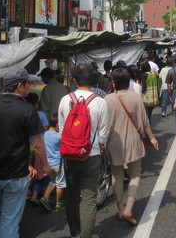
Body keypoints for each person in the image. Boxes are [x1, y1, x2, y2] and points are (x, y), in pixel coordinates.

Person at [0, 68, 50, 238]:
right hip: (15, 174)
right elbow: (37, 143)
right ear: (20, 86)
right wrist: (45, 165)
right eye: (28, 83)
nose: (30, 86)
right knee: (9, 221)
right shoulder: (27, 109)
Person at [58, 64, 109, 238]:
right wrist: (100, 146)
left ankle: (75, 232)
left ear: (74, 80)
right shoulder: (100, 102)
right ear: (94, 80)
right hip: (91, 155)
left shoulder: (65, 100)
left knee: (72, 195)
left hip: (70, 156)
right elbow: (103, 134)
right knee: (88, 199)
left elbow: (62, 132)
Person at [105, 68, 159, 226]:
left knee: (117, 176)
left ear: (114, 83)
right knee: (135, 174)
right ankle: (129, 209)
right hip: (133, 141)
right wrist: (152, 138)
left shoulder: (107, 99)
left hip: (114, 142)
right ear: (128, 82)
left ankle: (120, 210)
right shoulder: (135, 97)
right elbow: (144, 121)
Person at [40, 113, 66, 212]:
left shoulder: (45, 134)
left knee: (53, 181)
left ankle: (45, 198)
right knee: (60, 183)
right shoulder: (58, 136)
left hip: (49, 163)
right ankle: (58, 203)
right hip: (58, 163)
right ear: (57, 125)